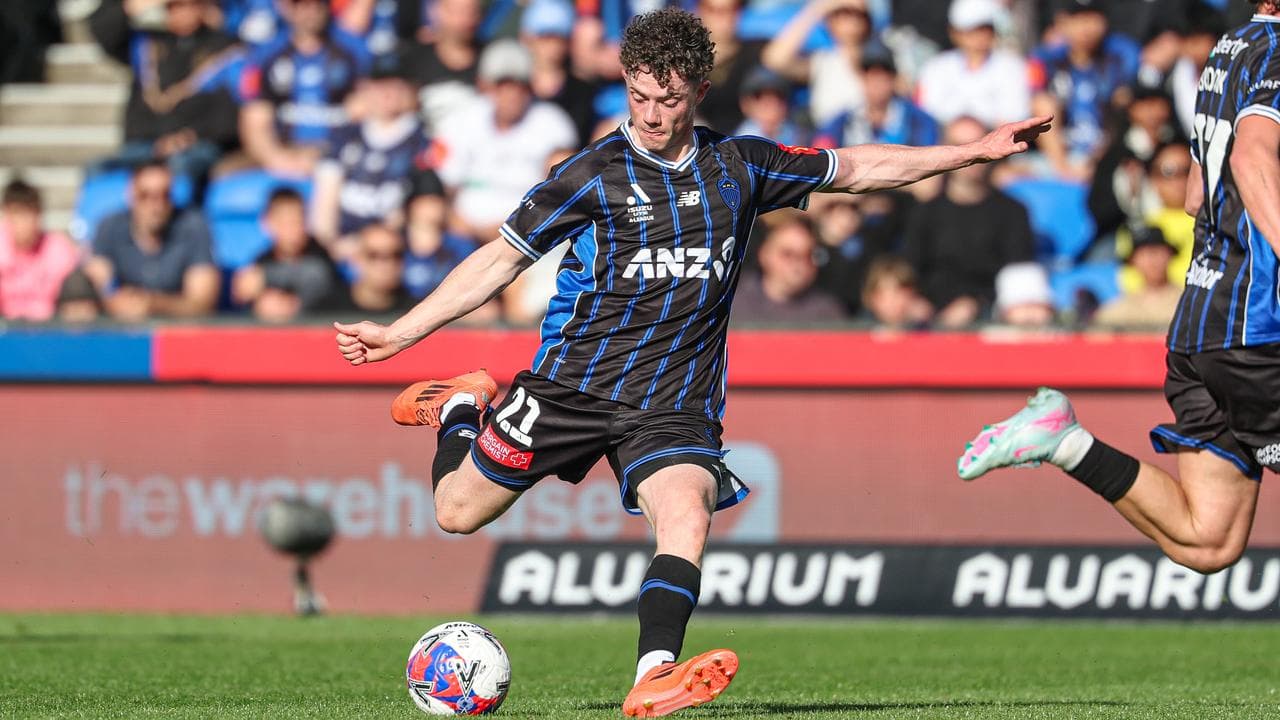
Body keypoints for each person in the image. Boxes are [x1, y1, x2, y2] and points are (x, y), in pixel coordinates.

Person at [333, 9, 1048, 717]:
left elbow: (856, 168)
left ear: (700, 90)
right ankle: (461, 404)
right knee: (455, 513)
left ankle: (654, 674)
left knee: (688, 512)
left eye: (668, 99)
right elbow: (499, 260)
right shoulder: (590, 175)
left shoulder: (739, 166)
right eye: (638, 96)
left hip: (673, 403)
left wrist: (972, 151)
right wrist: (402, 333)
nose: (650, 114)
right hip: (571, 387)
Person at [959, 4, 1280, 578]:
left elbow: (1194, 196)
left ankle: (1064, 442)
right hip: (1256, 325)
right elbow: (1251, 155)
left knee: (1208, 539)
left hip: (1201, 321)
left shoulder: (1230, 50)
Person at [433, 39, 578, 245]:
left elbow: (562, 193)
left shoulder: (552, 123)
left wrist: (510, 232)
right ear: (487, 86)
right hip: (462, 230)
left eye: (519, 86)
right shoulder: (463, 118)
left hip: (525, 238)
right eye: (502, 86)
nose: (511, 95)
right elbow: (444, 185)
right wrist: (453, 220)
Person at [89, 0, 243, 192]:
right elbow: (103, 28)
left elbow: (230, 111)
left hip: (196, 145)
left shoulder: (225, 48)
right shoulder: (148, 44)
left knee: (179, 170)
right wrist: (142, 4)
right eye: (172, 6)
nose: (179, 12)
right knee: (98, 169)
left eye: (186, 5)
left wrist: (190, 137)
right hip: (147, 144)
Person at [902, 117, 1036, 329]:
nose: (971, 154)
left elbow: (1017, 276)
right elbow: (910, 268)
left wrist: (976, 304)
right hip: (929, 318)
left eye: (978, 144)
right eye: (960, 145)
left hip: (991, 316)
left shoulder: (1013, 212)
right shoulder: (925, 212)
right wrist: (916, 302)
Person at [310, 56, 437, 260]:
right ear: (365, 89)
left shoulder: (423, 141)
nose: (386, 93)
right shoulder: (345, 136)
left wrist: (365, 244)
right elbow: (325, 200)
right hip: (342, 246)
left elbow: (425, 210)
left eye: (395, 86)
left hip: (395, 251)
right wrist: (328, 246)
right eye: (379, 86)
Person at [238, 0, 371, 177]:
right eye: (303, 5)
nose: (311, 12)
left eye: (317, 5)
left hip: (338, 155)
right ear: (288, 8)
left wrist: (332, 158)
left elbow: (366, 106)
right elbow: (254, 117)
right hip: (284, 151)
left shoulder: (352, 49)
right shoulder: (267, 54)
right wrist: (277, 159)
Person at [84, 161, 220, 321]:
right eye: (145, 195)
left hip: (179, 328)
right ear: (131, 196)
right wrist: (115, 303)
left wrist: (153, 304)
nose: (156, 205)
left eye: (165, 195)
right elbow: (95, 286)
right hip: (124, 327)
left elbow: (202, 303)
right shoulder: (110, 226)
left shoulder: (194, 227)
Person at [916, 0, 1031, 129]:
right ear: (955, 33)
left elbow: (1015, 115)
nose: (979, 36)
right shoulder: (936, 67)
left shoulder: (1012, 66)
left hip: (995, 136)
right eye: (971, 31)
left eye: (984, 29)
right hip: (946, 137)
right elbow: (928, 112)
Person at [232, 187, 340, 322]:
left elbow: (318, 278)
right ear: (267, 223)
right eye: (284, 222)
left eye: (297, 221)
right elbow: (245, 292)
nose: (292, 229)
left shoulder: (319, 254)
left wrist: (265, 277)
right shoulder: (262, 259)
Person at [732, 214, 847, 324]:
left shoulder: (828, 313)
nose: (799, 263)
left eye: (809, 255)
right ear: (764, 254)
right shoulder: (733, 303)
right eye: (788, 254)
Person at [0, 180, 80, 321]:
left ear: (39, 215)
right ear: (7, 214)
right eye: (17, 213)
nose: (23, 223)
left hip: (51, 328)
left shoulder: (58, 248)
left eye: (28, 214)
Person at [1092, 225, 1182, 330]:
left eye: (1158, 252)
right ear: (1133, 261)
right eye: (1145, 254)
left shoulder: (1186, 302)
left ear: (1170, 255)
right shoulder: (1121, 308)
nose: (1153, 261)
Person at [318, 222, 417, 315]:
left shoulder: (415, 313)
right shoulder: (326, 310)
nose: (387, 264)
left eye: (396, 255)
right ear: (356, 259)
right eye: (373, 255)